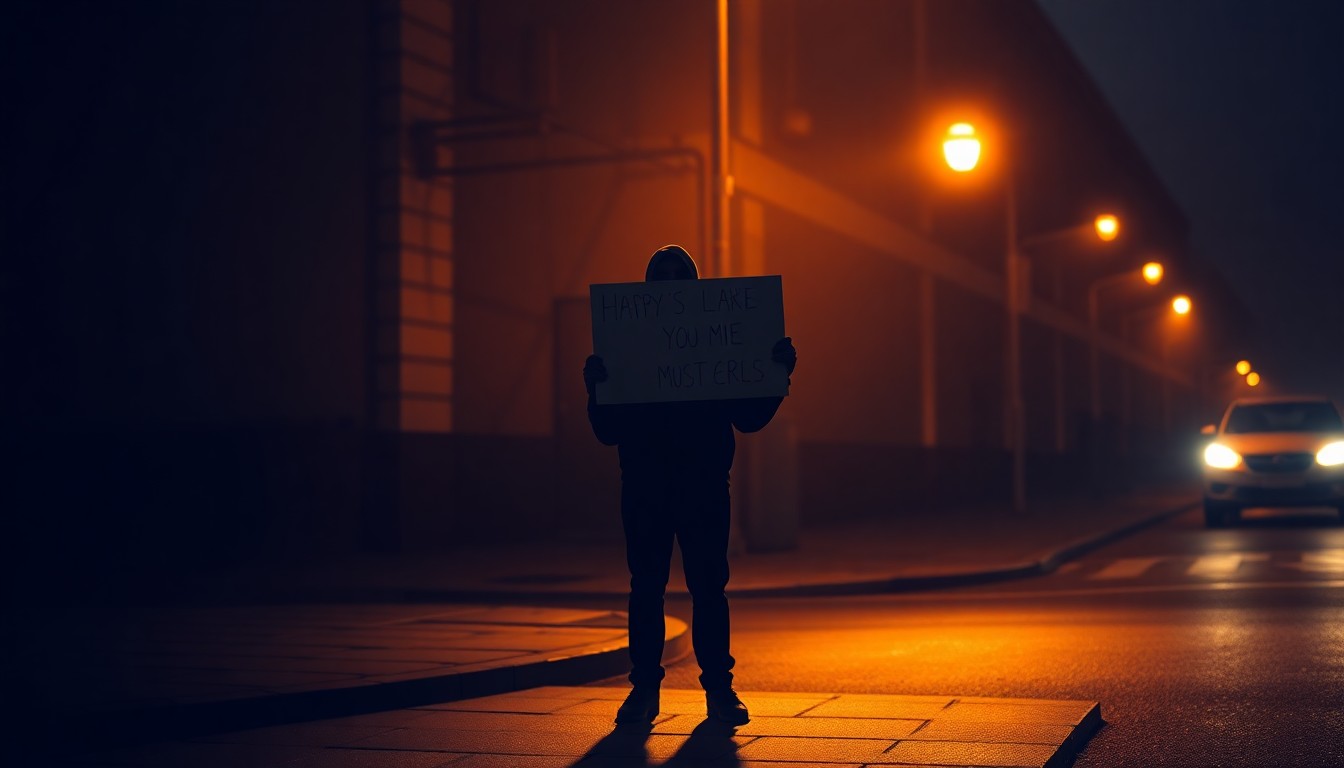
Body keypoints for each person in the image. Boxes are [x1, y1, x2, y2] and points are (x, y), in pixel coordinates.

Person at [583, 244, 797, 727]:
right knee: (649, 589)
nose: (672, 282)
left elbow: (749, 416)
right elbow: (607, 430)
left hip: (699, 486)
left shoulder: (709, 352)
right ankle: (651, 692)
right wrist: (596, 387)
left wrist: (777, 371)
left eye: (680, 276)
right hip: (646, 487)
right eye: (664, 275)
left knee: (706, 589)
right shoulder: (627, 352)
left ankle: (714, 690)